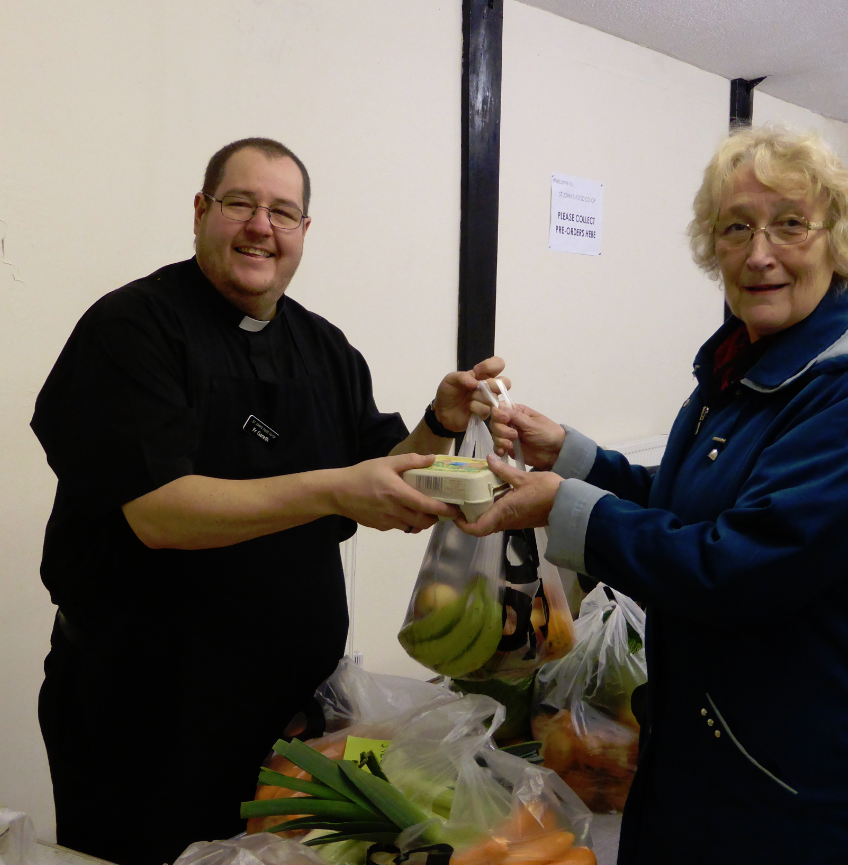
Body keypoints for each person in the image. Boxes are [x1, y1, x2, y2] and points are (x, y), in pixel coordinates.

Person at [460, 126, 848, 864]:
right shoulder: (741, 364)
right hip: (718, 742)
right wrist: (575, 456)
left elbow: (746, 562)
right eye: (735, 227)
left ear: (837, 240)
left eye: (788, 223)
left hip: (810, 771)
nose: (759, 253)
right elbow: (692, 505)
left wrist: (561, 506)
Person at [31, 137, 504, 865]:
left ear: (304, 233)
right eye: (241, 204)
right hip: (144, 717)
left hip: (293, 719)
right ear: (200, 211)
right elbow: (160, 511)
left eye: (283, 212)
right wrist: (332, 488)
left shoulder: (324, 347)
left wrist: (440, 423)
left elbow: (384, 469)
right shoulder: (133, 328)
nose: (262, 226)